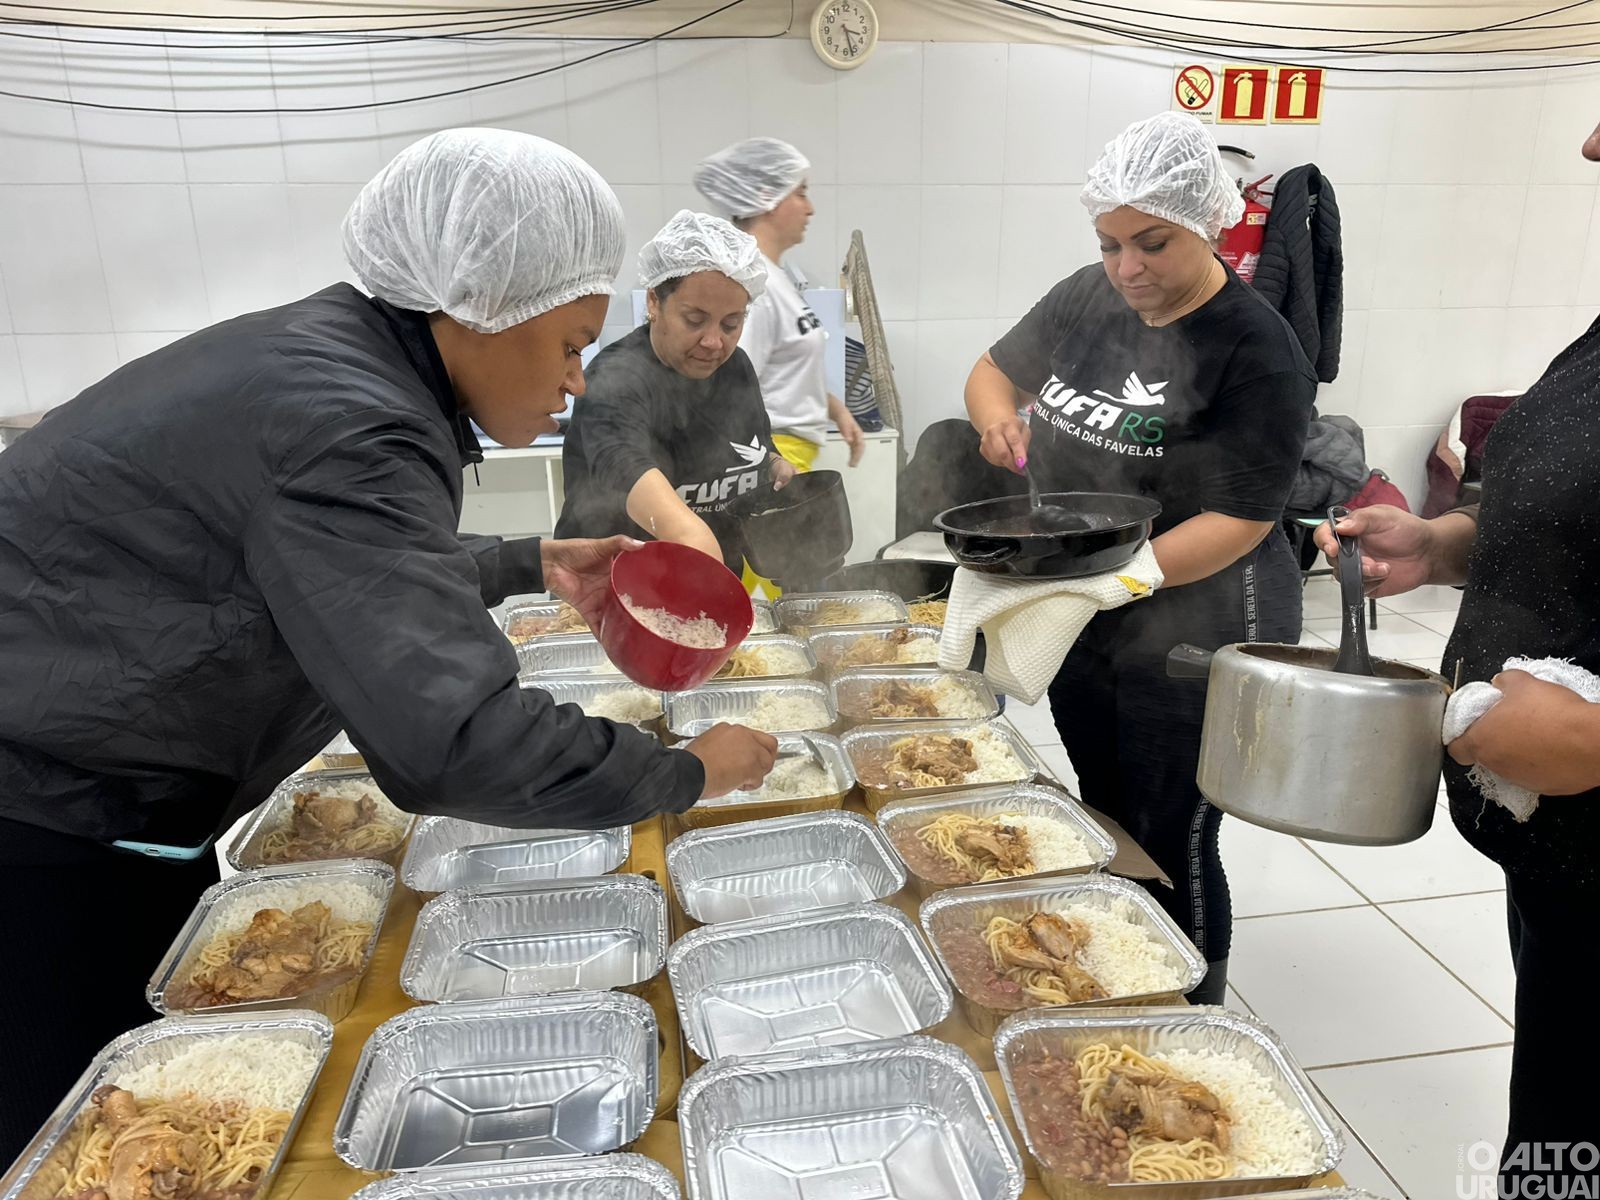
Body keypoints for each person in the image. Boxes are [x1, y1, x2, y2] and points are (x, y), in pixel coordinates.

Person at [0, 130, 777, 1157]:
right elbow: (452, 742)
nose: (577, 382)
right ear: (480, 305)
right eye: (569, 344)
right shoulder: (352, 419)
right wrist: (686, 772)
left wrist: (524, 561)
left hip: (96, 789)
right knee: (83, 1136)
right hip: (40, 814)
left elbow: (330, 567)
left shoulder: (340, 362)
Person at [962, 112, 1316, 1006]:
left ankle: (1191, 1014)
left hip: (1199, 613)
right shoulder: (1087, 297)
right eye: (1110, 243)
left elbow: (1241, 518)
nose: (1127, 268)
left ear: (1208, 223)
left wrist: (1115, 581)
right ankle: (1121, 976)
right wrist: (995, 417)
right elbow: (992, 371)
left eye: (1152, 243)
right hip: (1090, 602)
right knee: (1102, 802)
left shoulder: (1257, 350)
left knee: (1172, 828)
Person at [1313, 118, 1600, 1198]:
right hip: (1562, 868)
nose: (1589, 145)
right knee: (1555, 1157)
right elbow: (1576, 515)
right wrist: (1442, 544)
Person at [556, 210, 795, 572]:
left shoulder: (735, 367)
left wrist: (773, 464)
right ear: (654, 302)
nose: (714, 342)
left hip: (711, 576)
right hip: (614, 584)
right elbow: (625, 467)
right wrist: (696, 546)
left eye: (731, 324)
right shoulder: (615, 379)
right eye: (694, 320)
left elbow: (752, 442)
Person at [694, 137, 866, 479]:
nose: (810, 208)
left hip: (786, 455)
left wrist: (836, 410)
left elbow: (785, 373)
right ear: (766, 199)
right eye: (800, 193)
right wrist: (767, 463)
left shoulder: (776, 277)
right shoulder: (751, 284)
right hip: (769, 459)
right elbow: (731, 387)